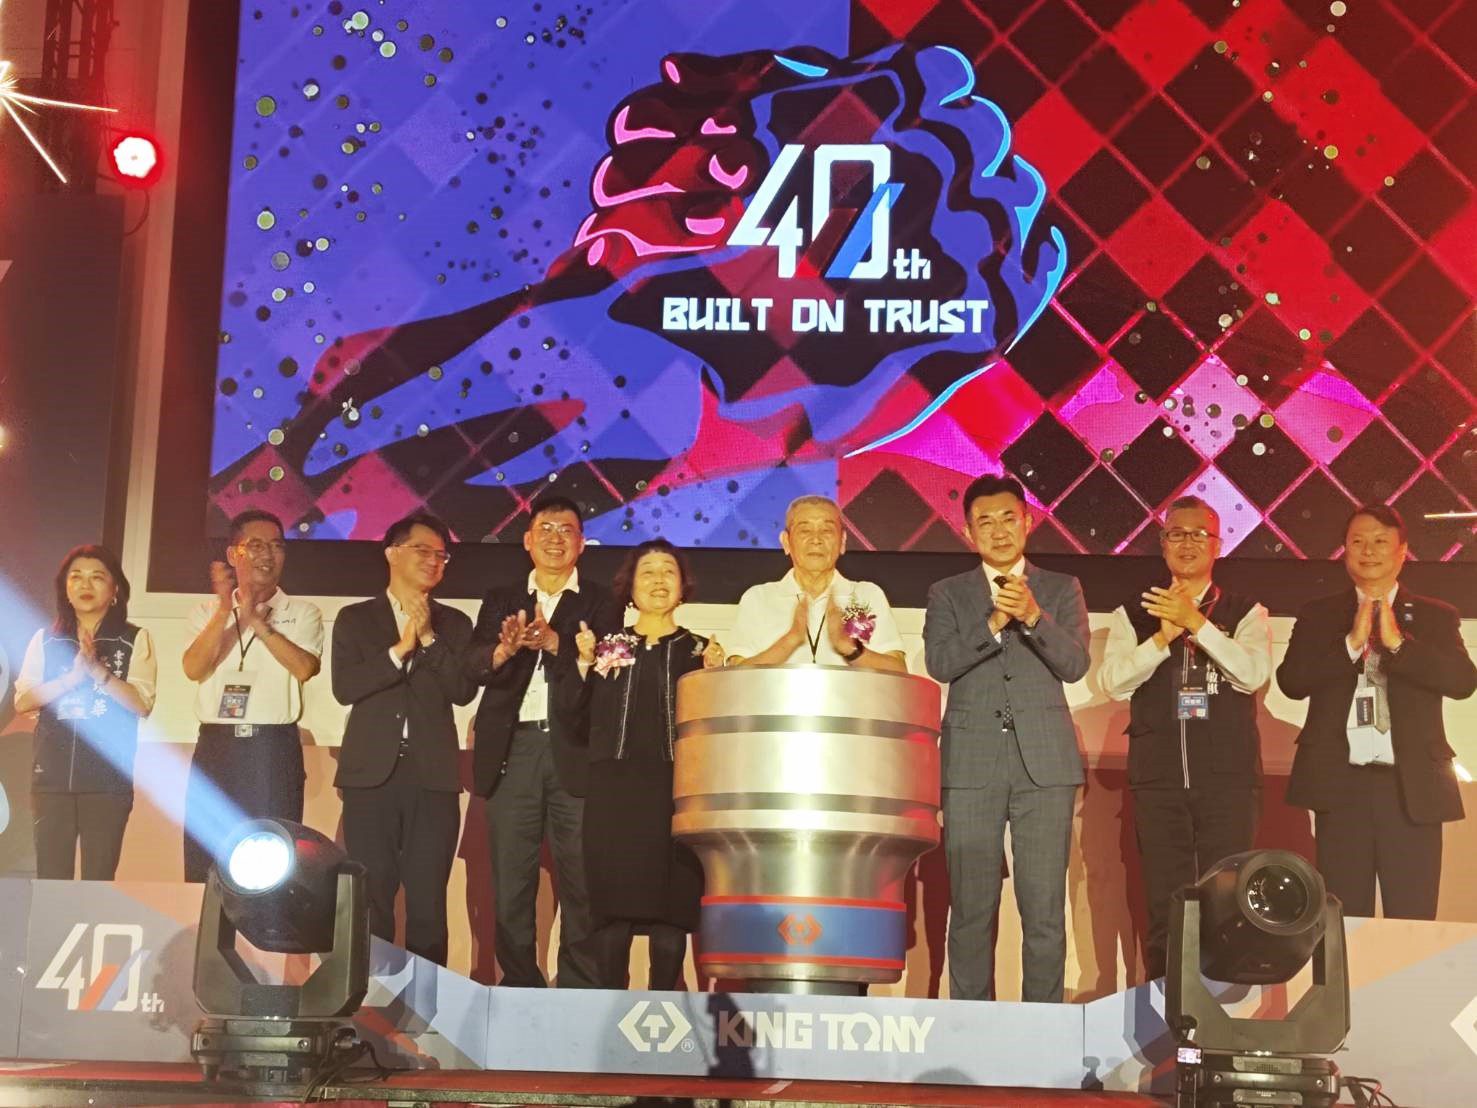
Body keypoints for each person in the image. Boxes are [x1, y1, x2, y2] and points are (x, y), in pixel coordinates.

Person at [923, 474, 1090, 1003]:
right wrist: (994, 622)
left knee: (1043, 909)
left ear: (1028, 522)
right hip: (971, 765)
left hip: (1046, 766)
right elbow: (940, 663)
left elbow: (1075, 665)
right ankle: (972, 1026)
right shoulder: (947, 592)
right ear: (968, 532)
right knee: (971, 908)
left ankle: (1043, 1029)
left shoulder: (1061, 588)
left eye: (1007, 519)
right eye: (985, 522)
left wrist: (1034, 616)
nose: (998, 531)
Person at [1099, 496, 1272, 978]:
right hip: (1159, 780)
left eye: (1200, 534)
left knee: (1228, 901)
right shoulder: (1133, 613)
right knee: (1166, 901)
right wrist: (1162, 637)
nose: (1188, 543)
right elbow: (1112, 682)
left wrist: (1197, 623)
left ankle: (1222, 1005)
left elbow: (1252, 675)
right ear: (1163, 543)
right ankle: (1164, 1005)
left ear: (1218, 545)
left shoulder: (1246, 611)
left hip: (1229, 782)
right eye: (1177, 534)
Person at [1279, 504, 1476, 919]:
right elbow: (1292, 682)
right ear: (1345, 550)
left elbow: (1462, 682)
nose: (1368, 551)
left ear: (1402, 551)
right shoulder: (1319, 614)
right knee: (1343, 918)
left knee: (1414, 916)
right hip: (1341, 783)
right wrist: (1350, 644)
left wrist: (1399, 645)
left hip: (1411, 787)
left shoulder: (1434, 616)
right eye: (1358, 542)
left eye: (1380, 541)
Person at [466, 495, 621, 987]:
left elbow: (612, 672)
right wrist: (504, 649)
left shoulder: (603, 601)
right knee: (511, 879)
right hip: (513, 750)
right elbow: (473, 665)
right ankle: (520, 986)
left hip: (576, 752)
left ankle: (579, 987)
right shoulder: (500, 598)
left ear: (582, 544)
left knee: (582, 880)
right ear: (528, 540)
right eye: (546, 529)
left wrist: (556, 643)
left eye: (567, 530)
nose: (556, 538)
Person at [559, 540, 725, 988]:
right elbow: (573, 719)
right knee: (612, 909)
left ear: (683, 586)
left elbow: (715, 728)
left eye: (668, 571)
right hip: (614, 794)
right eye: (647, 571)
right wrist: (583, 664)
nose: (658, 580)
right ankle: (610, 1006)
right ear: (629, 587)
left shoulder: (700, 650)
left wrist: (716, 677)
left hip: (676, 791)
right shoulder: (606, 648)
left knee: (671, 910)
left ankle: (662, 1006)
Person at [332, 513, 475, 965]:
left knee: (428, 900)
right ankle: (370, 993)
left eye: (441, 555)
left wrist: (428, 637)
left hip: (433, 777)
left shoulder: (455, 623)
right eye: (423, 551)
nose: (434, 561)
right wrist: (399, 651)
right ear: (392, 553)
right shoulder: (356, 618)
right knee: (371, 896)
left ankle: (427, 1000)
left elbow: (462, 689)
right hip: (370, 775)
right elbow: (345, 687)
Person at [181, 510, 323, 882]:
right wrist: (226, 613)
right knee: (205, 859)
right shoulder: (205, 613)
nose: (267, 555)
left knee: (271, 860)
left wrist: (258, 622)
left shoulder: (302, 612)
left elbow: (304, 668)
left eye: (276, 546)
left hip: (272, 749)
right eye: (255, 545)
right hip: (217, 747)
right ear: (233, 554)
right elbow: (193, 668)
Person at [13, 545, 156, 880]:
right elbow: (24, 701)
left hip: (107, 780)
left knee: (98, 879)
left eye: (97, 577)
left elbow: (141, 703)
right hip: (51, 779)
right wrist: (71, 679)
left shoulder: (134, 638)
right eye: (75, 577)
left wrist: (98, 672)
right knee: (51, 878)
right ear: (65, 588)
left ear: (115, 589)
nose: (85, 585)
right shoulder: (45, 639)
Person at [723, 495, 907, 672]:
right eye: (805, 530)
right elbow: (735, 675)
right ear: (786, 542)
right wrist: (790, 640)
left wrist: (850, 648)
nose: (816, 540)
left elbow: (899, 671)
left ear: (842, 541)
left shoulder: (867, 595)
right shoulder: (758, 598)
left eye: (827, 531)